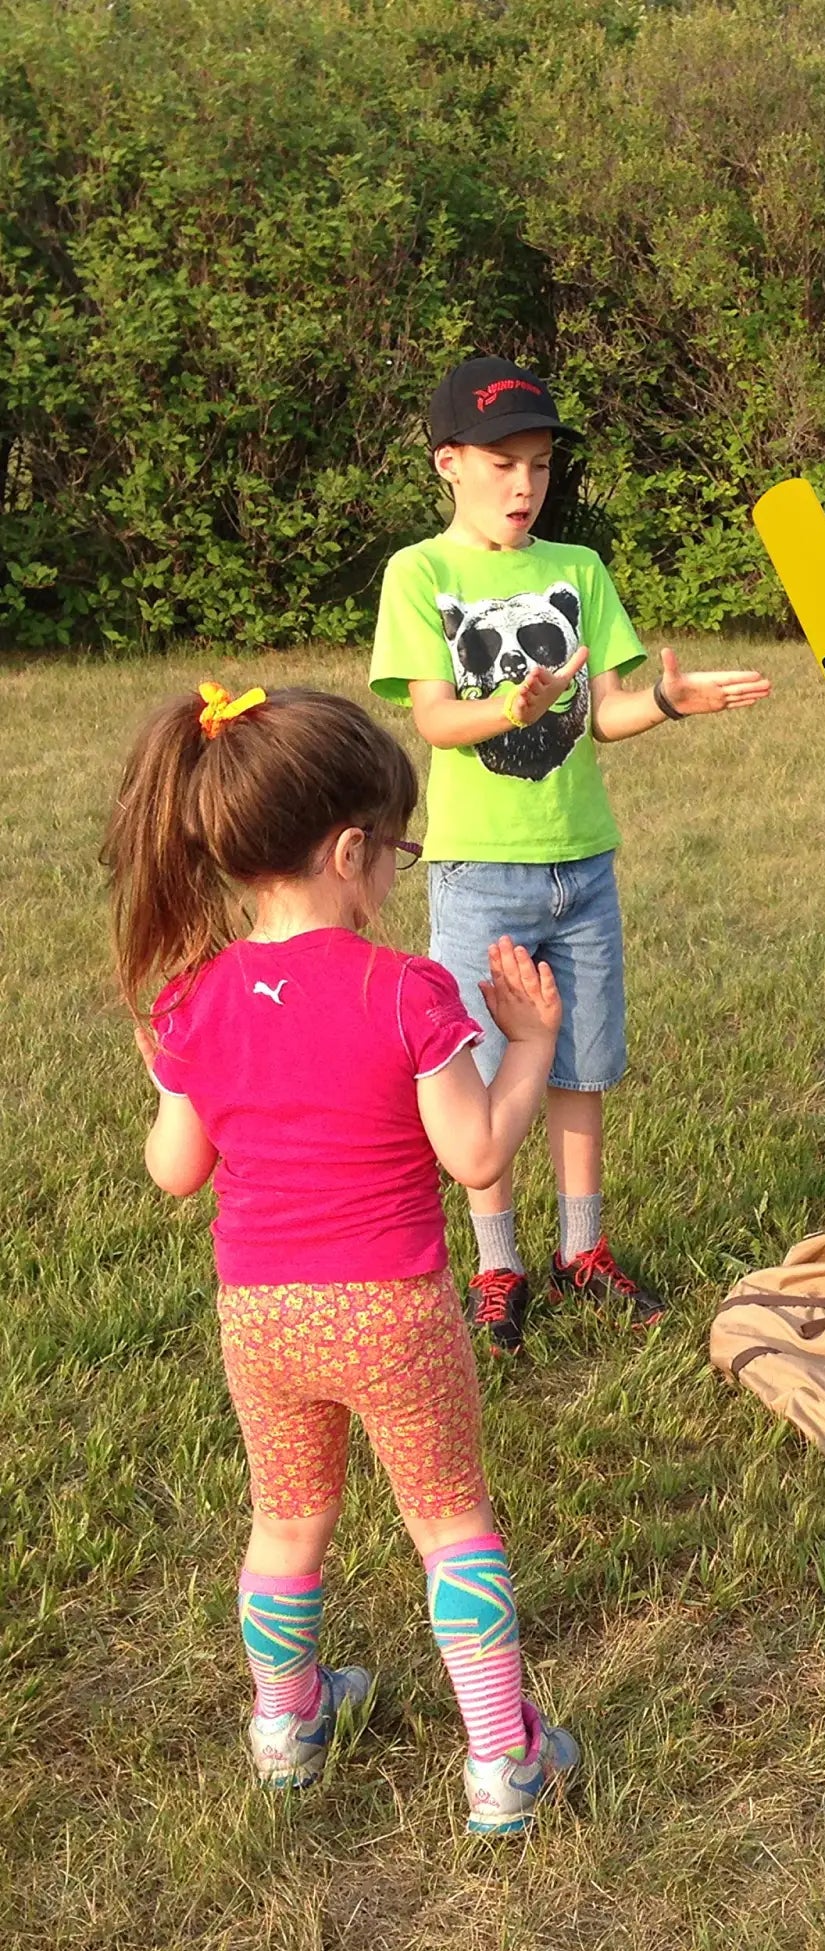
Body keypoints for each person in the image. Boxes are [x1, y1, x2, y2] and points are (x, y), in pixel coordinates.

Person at [106, 683, 581, 1833]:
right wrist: (532, 1044)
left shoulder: (194, 999)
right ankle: (503, 1758)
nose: (393, 877)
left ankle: (286, 1722)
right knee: (450, 1519)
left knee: (286, 1518)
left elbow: (176, 1170)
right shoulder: (403, 987)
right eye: (397, 854)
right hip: (393, 1311)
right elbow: (474, 1156)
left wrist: (170, 1067)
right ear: (349, 848)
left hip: (262, 1317)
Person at [370, 357, 770, 1355]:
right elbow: (432, 715)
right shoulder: (421, 573)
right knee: (483, 1064)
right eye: (501, 464)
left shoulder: (580, 571)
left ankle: (581, 1251)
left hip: (579, 864)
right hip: (479, 871)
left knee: (580, 1060)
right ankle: (498, 1261)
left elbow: (607, 714)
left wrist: (670, 701)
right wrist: (510, 704)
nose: (522, 485)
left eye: (539, 465)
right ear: (447, 463)